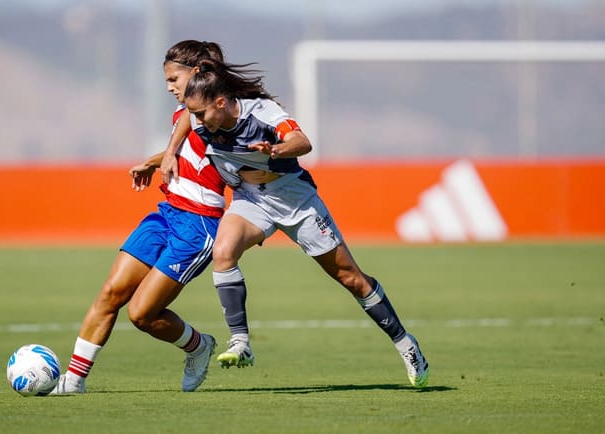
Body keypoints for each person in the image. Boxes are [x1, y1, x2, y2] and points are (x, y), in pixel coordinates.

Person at [182, 57, 430, 388]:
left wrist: (275, 150)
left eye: (200, 113)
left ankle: (406, 344)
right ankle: (240, 342)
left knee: (351, 279)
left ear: (221, 102)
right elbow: (185, 122)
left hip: (294, 198)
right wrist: (167, 155)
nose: (196, 121)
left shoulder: (262, 112)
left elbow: (303, 143)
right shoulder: (201, 120)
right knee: (223, 252)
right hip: (251, 199)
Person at [51, 40, 227, 394]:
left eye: (173, 78)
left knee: (142, 315)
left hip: (199, 226)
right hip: (167, 214)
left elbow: (201, 122)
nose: (169, 86)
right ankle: (73, 381)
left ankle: (199, 346)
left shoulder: (220, 109)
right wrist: (154, 160)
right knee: (110, 293)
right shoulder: (183, 112)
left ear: (196, 74)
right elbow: (189, 135)